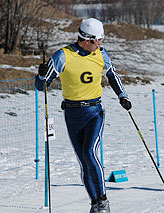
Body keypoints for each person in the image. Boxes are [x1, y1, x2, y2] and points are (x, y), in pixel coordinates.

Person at [35, 18, 132, 213]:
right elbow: (41, 85)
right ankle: (95, 203)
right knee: (83, 161)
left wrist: (123, 95)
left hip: (94, 112)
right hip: (72, 113)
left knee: (90, 152)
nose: (101, 44)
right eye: (98, 40)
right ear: (87, 40)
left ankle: (103, 200)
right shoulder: (63, 56)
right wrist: (41, 75)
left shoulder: (101, 54)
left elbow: (112, 74)